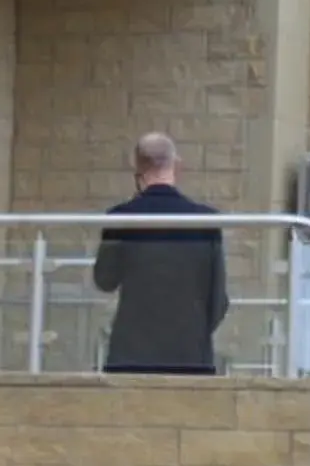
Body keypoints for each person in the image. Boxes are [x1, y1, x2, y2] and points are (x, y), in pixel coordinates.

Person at [92, 133, 230, 374]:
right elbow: (218, 298)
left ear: (137, 168)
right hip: (190, 353)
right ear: (177, 165)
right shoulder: (205, 220)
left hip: (131, 353)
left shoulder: (122, 217)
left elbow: (104, 280)